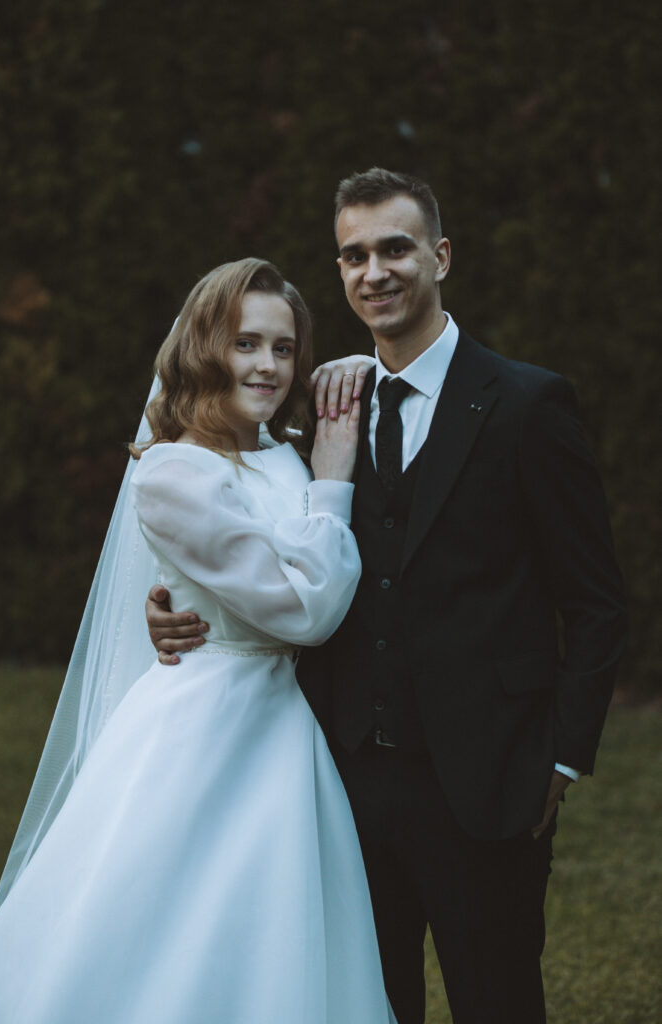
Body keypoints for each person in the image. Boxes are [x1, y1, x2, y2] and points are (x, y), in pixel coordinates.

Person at [148, 170, 628, 1023]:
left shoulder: (525, 404)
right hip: (340, 781)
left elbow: (595, 602)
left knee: (498, 1001)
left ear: (439, 257)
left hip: (486, 779)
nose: (375, 271)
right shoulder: (320, 411)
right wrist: (171, 603)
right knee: (365, 1004)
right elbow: (250, 532)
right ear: (339, 270)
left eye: (395, 249)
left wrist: (559, 760)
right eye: (354, 255)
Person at [0, 258, 396, 1024]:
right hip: (205, 725)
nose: (267, 365)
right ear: (204, 348)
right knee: (167, 927)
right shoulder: (174, 472)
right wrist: (332, 483)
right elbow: (306, 611)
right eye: (244, 343)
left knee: (273, 930)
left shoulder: (283, 450)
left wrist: (346, 382)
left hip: (283, 725)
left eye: (283, 347)